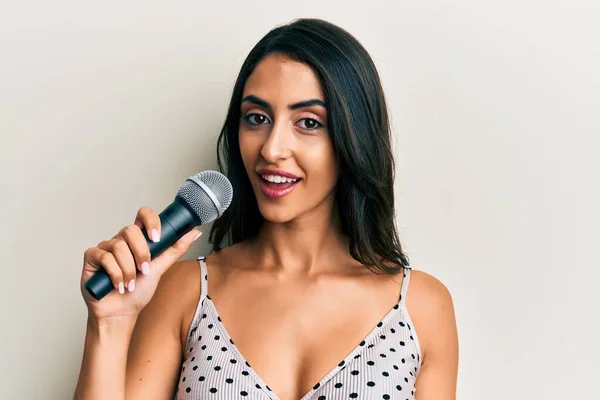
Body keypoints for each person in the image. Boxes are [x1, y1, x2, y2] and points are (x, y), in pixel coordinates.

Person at [74, 18, 458, 400]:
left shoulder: (420, 307)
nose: (271, 149)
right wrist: (110, 324)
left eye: (308, 122)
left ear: (352, 137)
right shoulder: (184, 292)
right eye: (257, 118)